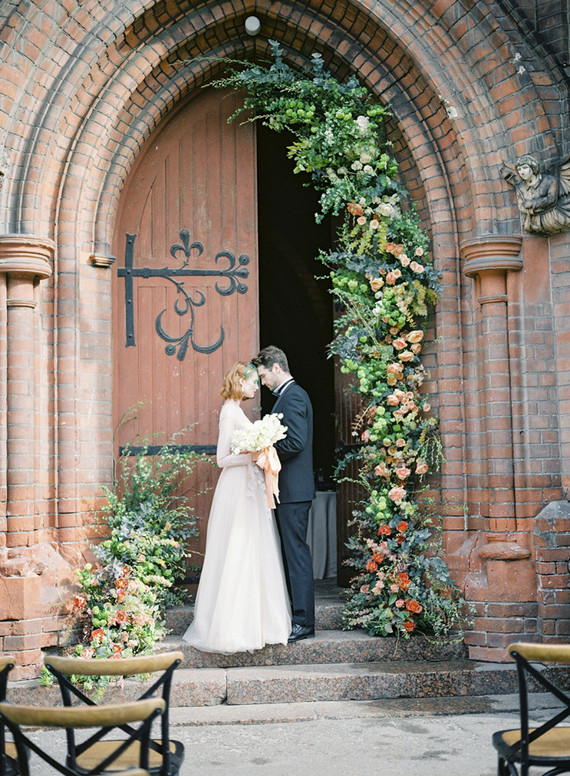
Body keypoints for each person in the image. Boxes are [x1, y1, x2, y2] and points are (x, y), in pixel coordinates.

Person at [182, 361, 291, 653]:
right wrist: (253, 454)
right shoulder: (229, 413)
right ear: (239, 381)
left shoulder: (238, 411)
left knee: (253, 549)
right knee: (238, 549)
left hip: (249, 488)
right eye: (252, 382)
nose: (256, 387)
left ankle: (256, 624)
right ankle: (233, 627)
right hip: (237, 488)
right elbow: (221, 459)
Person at [253, 346, 316, 642]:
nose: (263, 382)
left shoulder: (293, 396)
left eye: (264, 375)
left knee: (296, 554)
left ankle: (304, 621)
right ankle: (296, 615)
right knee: (291, 553)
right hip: (287, 490)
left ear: (277, 368)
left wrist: (265, 450)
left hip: (294, 490)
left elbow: (297, 443)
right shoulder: (286, 397)